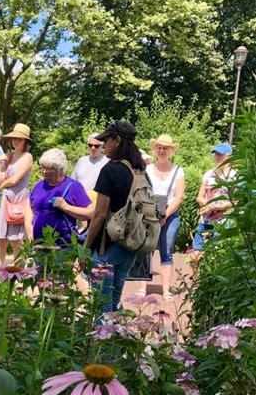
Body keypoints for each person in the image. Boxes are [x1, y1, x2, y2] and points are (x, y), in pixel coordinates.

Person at [85, 120, 146, 314]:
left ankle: (100, 343)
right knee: (114, 302)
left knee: (101, 306)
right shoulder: (139, 171)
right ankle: (115, 342)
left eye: (106, 141)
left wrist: (85, 247)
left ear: (117, 140)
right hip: (129, 245)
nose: (103, 145)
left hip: (107, 246)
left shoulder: (110, 170)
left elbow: (100, 214)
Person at [25, 148, 93, 246]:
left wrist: (66, 207)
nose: (44, 171)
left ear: (60, 169)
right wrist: (28, 226)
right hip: (39, 244)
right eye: (42, 167)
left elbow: (90, 213)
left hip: (63, 247)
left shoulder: (73, 186)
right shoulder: (39, 185)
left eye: (49, 168)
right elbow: (29, 205)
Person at [145, 134, 185, 300]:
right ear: (155, 149)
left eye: (165, 148)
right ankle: (142, 287)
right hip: (148, 215)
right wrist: (152, 216)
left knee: (166, 250)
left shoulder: (178, 171)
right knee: (145, 250)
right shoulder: (147, 169)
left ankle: (166, 289)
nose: (162, 151)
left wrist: (164, 216)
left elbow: (179, 197)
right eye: (159, 147)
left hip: (170, 214)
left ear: (170, 151)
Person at [191, 142, 236, 269]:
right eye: (215, 154)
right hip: (206, 220)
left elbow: (236, 201)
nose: (217, 157)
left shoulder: (235, 176)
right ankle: (196, 286)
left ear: (229, 156)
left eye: (220, 155)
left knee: (219, 255)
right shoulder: (208, 174)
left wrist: (214, 206)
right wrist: (206, 204)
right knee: (195, 255)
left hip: (225, 221)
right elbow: (199, 196)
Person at [0, 123, 33, 266]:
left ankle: (19, 273)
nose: (15, 141)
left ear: (25, 142)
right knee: (1, 238)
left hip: (19, 200)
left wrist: (2, 186)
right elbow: (0, 179)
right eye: (14, 138)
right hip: (7, 200)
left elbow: (15, 179)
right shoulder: (9, 157)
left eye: (19, 139)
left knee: (17, 240)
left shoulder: (27, 156)